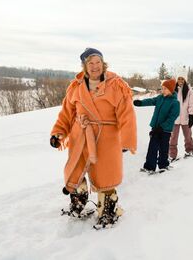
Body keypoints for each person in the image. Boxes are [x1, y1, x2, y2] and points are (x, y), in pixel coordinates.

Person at [50, 47, 137, 229]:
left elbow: (127, 114)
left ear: (103, 64)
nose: (95, 66)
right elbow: (67, 114)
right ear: (85, 66)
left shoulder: (116, 85)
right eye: (90, 63)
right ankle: (78, 203)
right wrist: (58, 133)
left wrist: (127, 140)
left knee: (105, 175)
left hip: (107, 137)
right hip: (80, 135)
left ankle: (108, 211)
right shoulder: (76, 87)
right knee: (75, 170)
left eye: (98, 62)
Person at [133, 79, 180, 173]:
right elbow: (151, 100)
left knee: (163, 148)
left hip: (165, 130)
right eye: (162, 88)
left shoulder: (175, 103)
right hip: (155, 128)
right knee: (152, 147)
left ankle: (163, 165)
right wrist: (141, 103)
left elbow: (172, 117)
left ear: (171, 90)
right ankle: (149, 167)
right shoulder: (160, 98)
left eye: (165, 89)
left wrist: (162, 127)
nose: (163, 90)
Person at [169, 70, 193, 160]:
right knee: (173, 138)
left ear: (185, 80)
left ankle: (190, 150)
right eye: (179, 79)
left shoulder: (189, 90)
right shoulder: (173, 90)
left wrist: (191, 116)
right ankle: (172, 155)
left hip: (185, 118)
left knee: (188, 136)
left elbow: (191, 104)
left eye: (182, 79)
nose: (180, 80)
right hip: (175, 119)